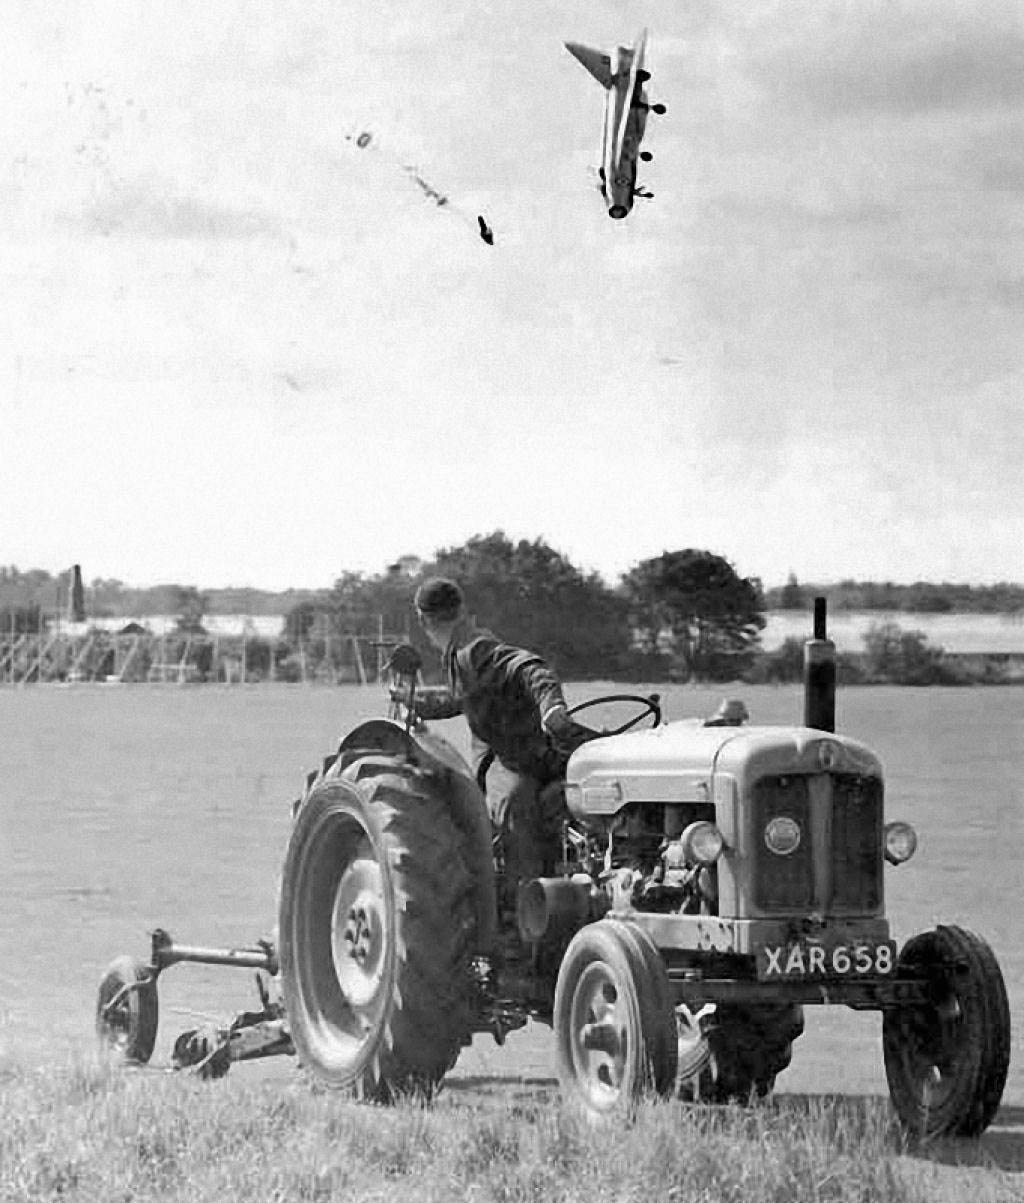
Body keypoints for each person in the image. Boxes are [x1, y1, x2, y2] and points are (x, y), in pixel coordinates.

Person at [397, 576, 592, 923]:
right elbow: (464, 699)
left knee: (516, 802)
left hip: (520, 755)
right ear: (461, 610)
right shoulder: (460, 652)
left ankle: (532, 911)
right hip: (509, 756)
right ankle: (523, 912)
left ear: (425, 621)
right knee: (513, 801)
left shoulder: (475, 650)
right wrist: (419, 707)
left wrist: (552, 708)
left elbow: (532, 669)